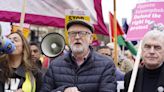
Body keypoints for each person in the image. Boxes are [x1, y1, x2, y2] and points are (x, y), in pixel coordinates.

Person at [40, 19, 117, 92]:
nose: (77, 37)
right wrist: (63, 90)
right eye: (73, 33)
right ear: (68, 38)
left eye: (82, 33)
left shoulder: (106, 65)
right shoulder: (55, 65)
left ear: (90, 39)